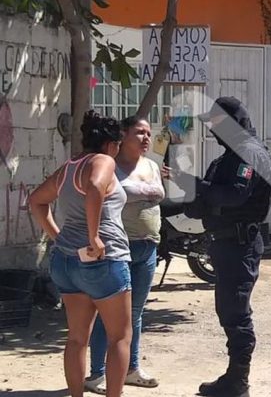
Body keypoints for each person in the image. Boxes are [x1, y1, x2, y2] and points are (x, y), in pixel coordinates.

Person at [166, 97, 271, 397]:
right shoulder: (227, 158)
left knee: (236, 312)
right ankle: (234, 377)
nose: (213, 130)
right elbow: (204, 200)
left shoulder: (250, 154)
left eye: (217, 123)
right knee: (228, 309)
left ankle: (238, 381)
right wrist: (190, 190)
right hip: (223, 243)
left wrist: (194, 186)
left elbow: (233, 196)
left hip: (240, 244)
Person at [29, 110, 132, 397]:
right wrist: (94, 236)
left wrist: (57, 237)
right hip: (103, 261)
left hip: (66, 260)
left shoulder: (68, 168)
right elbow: (95, 186)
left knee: (76, 338)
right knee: (120, 337)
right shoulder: (104, 161)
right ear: (111, 144)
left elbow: (36, 201)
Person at [86, 116, 164, 394]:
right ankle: (97, 373)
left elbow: (158, 195)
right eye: (139, 133)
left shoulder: (151, 166)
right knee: (107, 314)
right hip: (119, 248)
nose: (146, 138)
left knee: (136, 312)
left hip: (148, 246)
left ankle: (131, 368)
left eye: (148, 133)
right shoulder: (109, 165)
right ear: (124, 135)